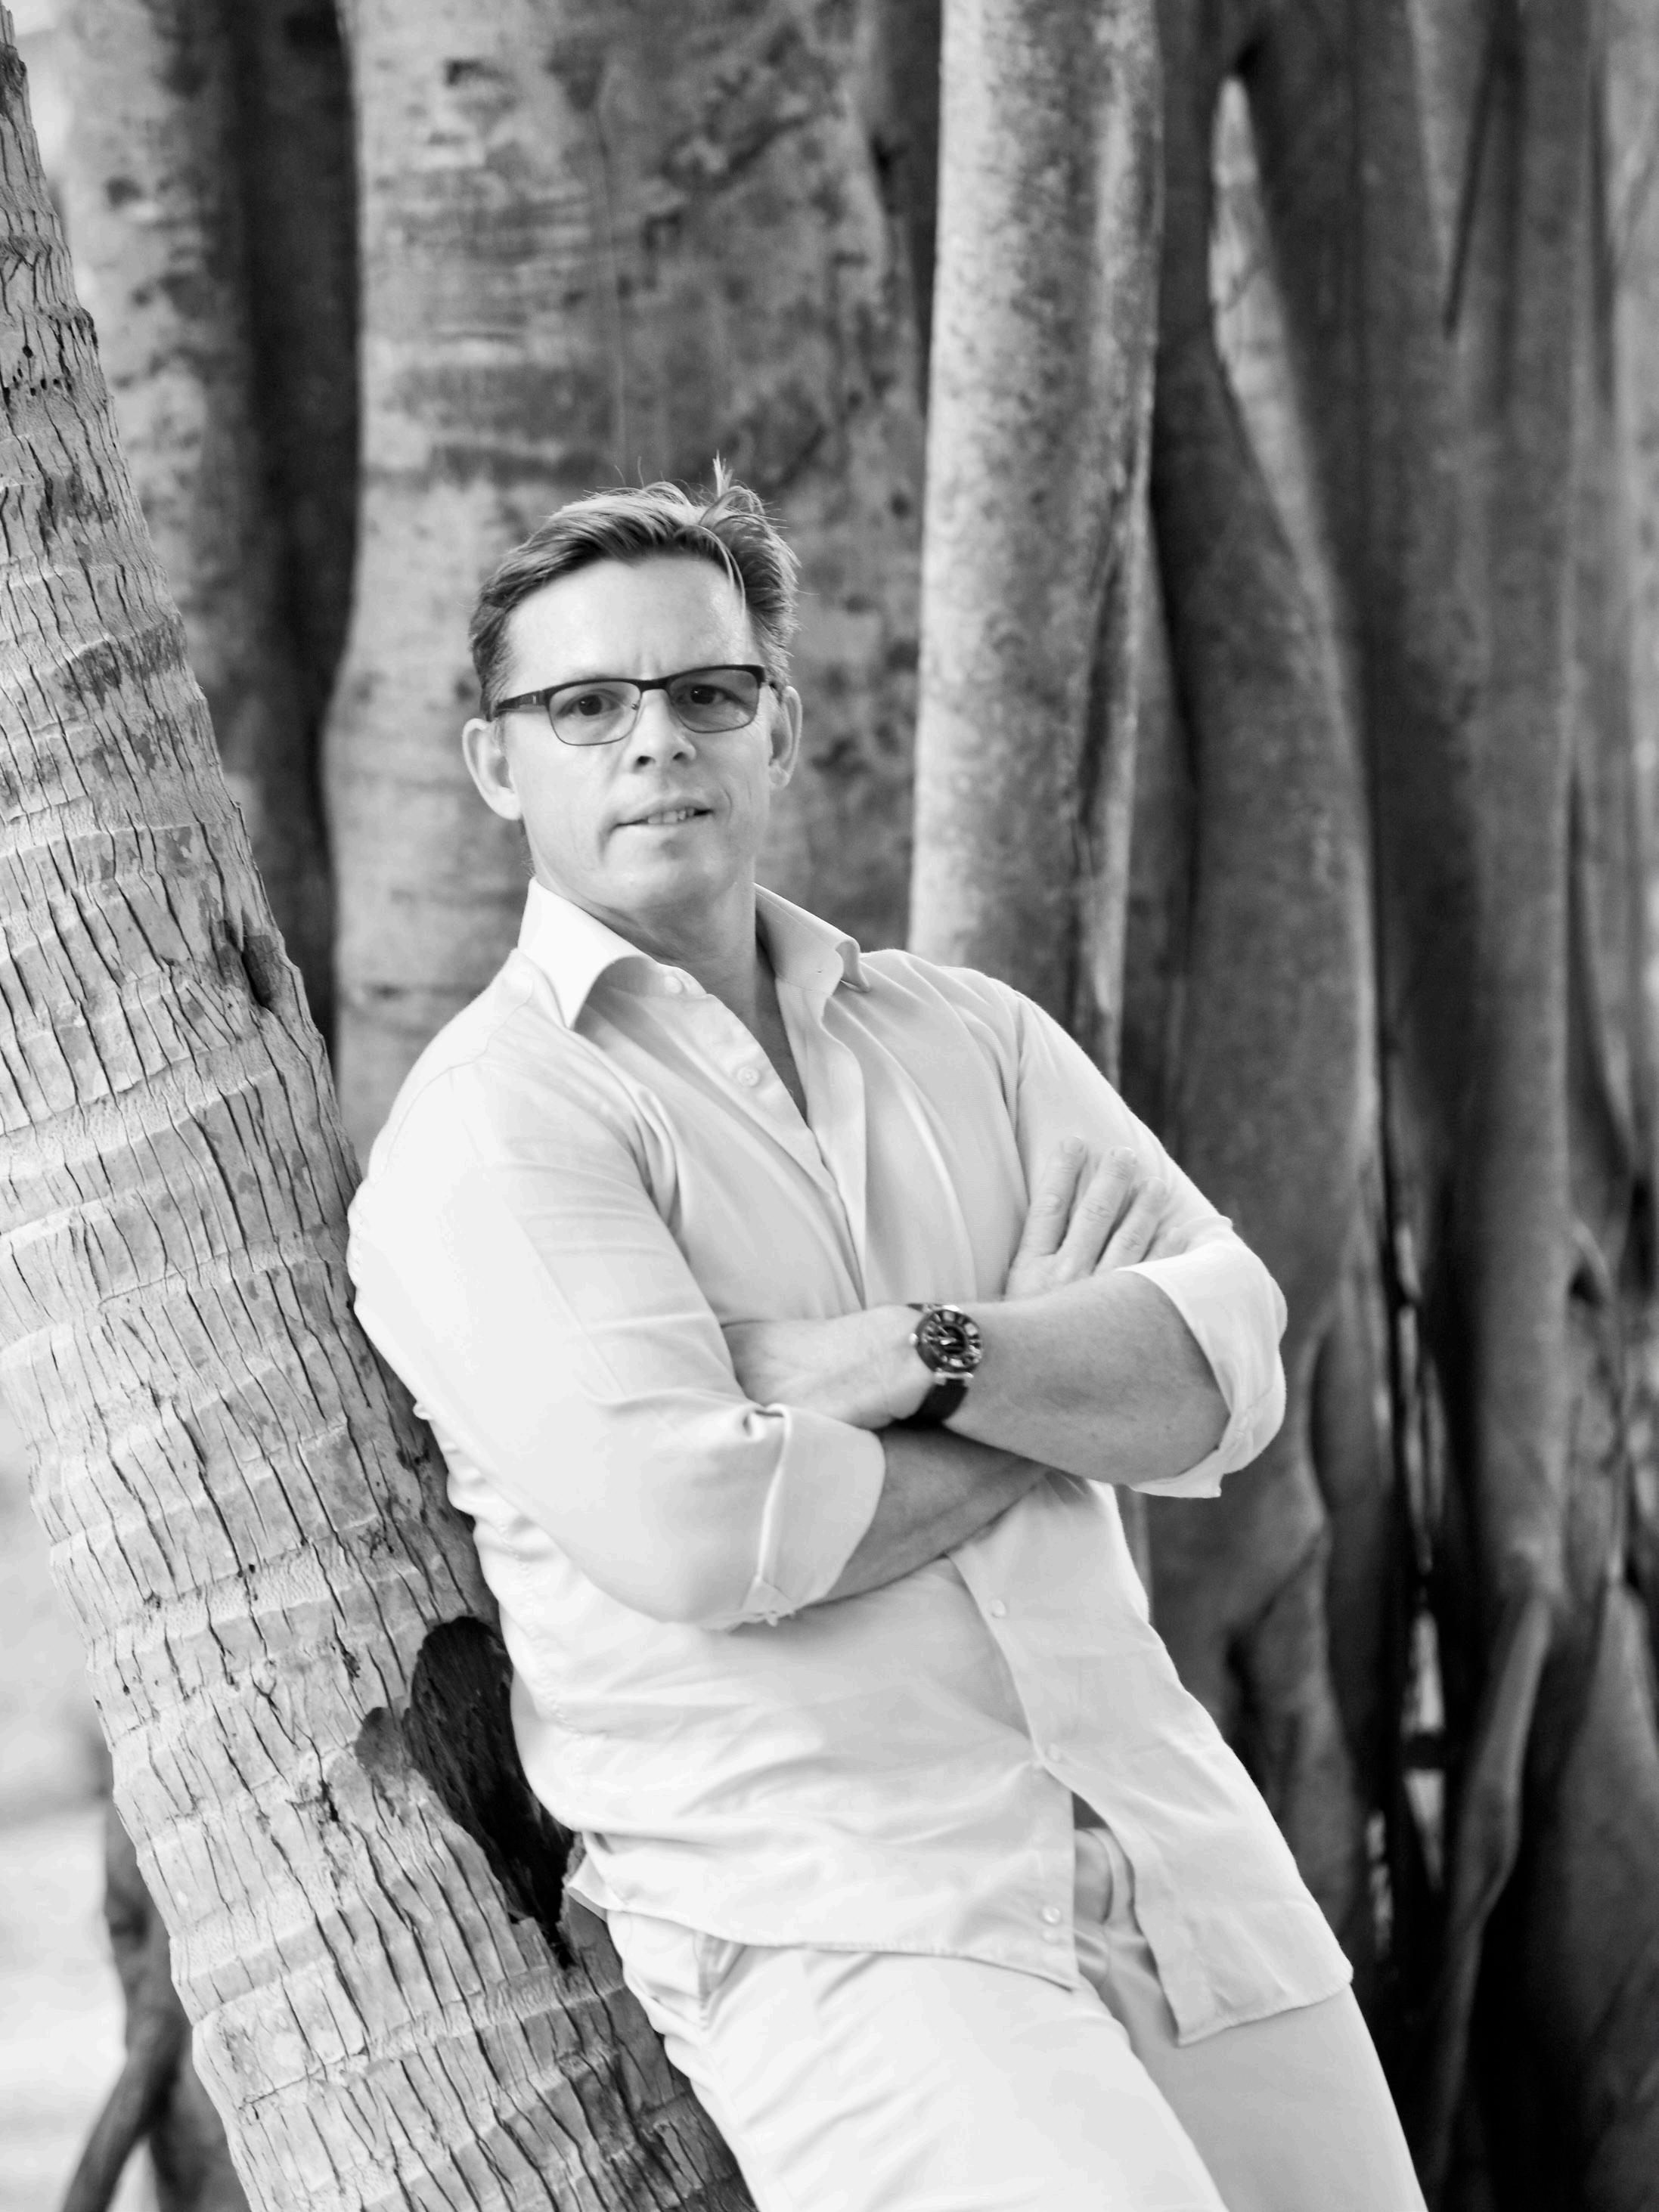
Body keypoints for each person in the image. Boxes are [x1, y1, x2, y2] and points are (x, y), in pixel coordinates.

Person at [346, 472, 1425, 2212]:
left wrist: (903, 1354)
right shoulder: (498, 1120)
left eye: (707, 691)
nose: (655, 740)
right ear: (495, 763)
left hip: (1167, 1851)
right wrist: (1047, 1396)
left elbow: (1224, 1367)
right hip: (846, 1921)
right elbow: (699, 1532)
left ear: (778, 727)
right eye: (585, 705)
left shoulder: (967, 1038)